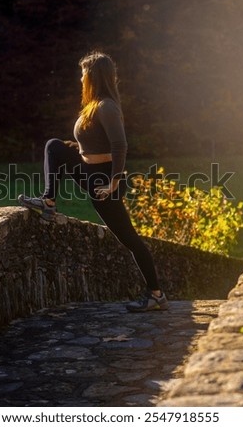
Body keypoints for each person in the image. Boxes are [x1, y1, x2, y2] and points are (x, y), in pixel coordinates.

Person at [18, 51, 168, 312]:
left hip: (103, 179)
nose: (80, 78)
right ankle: (48, 202)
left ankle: (156, 294)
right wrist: (78, 148)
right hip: (90, 170)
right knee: (55, 146)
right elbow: (96, 142)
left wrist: (112, 182)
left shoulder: (107, 106)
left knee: (129, 239)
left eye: (83, 73)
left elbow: (120, 145)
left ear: (93, 76)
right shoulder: (95, 105)